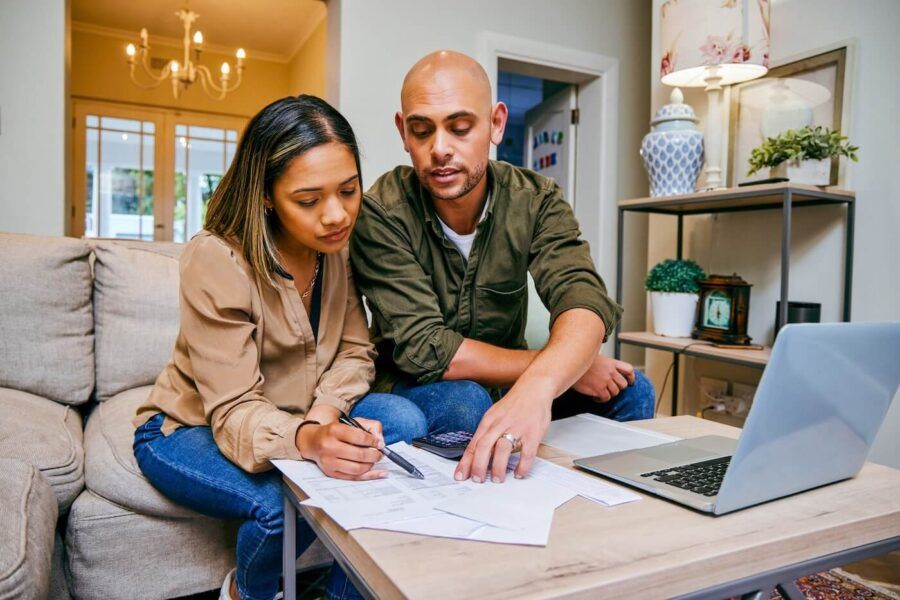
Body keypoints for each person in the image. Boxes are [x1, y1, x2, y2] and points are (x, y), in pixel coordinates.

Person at [132, 96, 485, 600]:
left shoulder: (334, 248)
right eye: (308, 199)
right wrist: (309, 440)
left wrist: (321, 418)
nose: (336, 215)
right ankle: (246, 592)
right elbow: (232, 410)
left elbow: (355, 351)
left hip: (298, 413)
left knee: (402, 426)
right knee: (283, 506)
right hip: (190, 426)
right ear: (268, 196)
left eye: (348, 189)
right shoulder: (215, 260)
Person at [350, 51, 656, 489]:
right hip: (417, 383)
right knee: (466, 403)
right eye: (422, 131)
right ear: (403, 132)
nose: (440, 149)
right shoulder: (381, 211)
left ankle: (585, 511)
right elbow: (429, 349)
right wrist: (553, 370)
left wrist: (541, 386)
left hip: (510, 386)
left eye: (460, 128)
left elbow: (582, 298)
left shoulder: (536, 200)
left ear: (495, 124)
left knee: (632, 390)